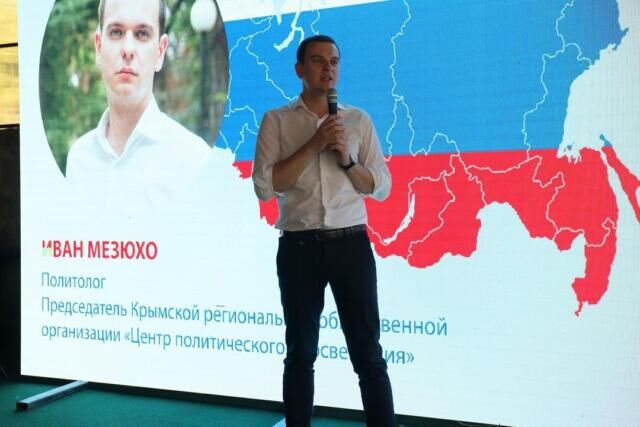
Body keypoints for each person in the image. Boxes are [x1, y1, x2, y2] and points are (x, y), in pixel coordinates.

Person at [252, 35, 397, 427]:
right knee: (300, 353)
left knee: (368, 354)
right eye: (318, 61)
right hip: (299, 248)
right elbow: (266, 187)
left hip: (351, 245)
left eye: (334, 61)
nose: (328, 68)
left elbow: (381, 187)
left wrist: (347, 160)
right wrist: (315, 143)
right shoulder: (277, 121)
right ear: (299, 69)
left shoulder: (358, 121)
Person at [66, 0, 211, 215]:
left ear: (160, 52)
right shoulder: (79, 159)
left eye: (142, 34)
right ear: (98, 47)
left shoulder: (195, 161)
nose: (127, 49)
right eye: (116, 32)